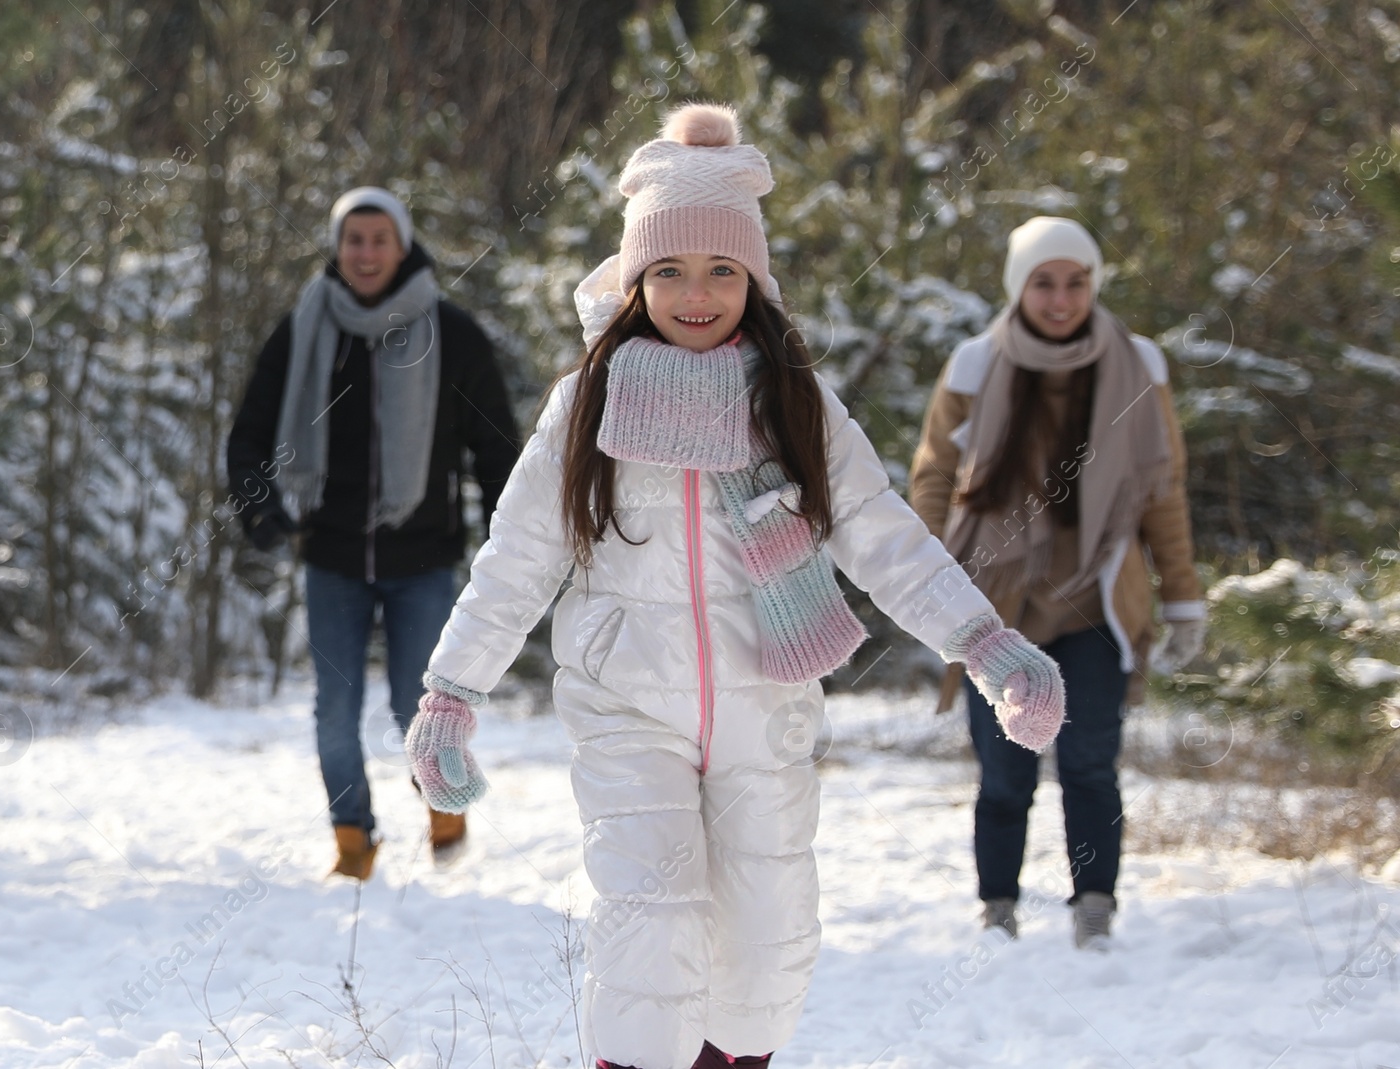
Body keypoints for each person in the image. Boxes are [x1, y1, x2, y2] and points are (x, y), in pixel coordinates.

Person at [405, 104, 1066, 1069]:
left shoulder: (791, 396)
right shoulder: (590, 400)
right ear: (635, 282)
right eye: (668, 270)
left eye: (722, 270)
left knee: (768, 939)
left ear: (753, 281)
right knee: (654, 917)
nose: (697, 292)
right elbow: (519, 555)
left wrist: (985, 642)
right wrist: (452, 691)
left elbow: (882, 532)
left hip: (769, 697)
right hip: (625, 699)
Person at [908, 216, 1207, 949]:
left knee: (1089, 764)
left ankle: (1094, 903)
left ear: (1094, 284)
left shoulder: (1140, 365)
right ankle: (999, 907)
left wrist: (1181, 595)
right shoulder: (976, 366)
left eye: (1077, 281)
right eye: (1044, 281)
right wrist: (927, 588)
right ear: (1019, 287)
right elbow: (934, 479)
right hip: (997, 604)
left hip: (1097, 600)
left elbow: (1162, 489)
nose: (1062, 297)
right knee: (1005, 773)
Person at [227, 186, 519, 880]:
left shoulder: (450, 331)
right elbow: (250, 429)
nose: (364, 253)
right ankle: (353, 843)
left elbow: (497, 444)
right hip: (329, 556)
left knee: (418, 705)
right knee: (336, 711)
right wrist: (260, 507)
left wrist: (507, 542)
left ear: (402, 245)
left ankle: (445, 812)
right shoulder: (304, 329)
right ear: (337, 247)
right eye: (352, 239)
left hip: (424, 556)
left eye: (377, 239)